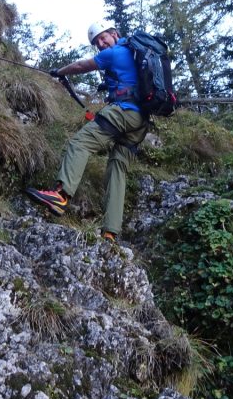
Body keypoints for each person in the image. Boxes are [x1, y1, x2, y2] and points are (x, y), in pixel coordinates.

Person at [26, 22, 149, 241]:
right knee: (117, 169)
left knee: (80, 143)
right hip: (140, 122)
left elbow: (82, 65)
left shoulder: (115, 52)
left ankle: (61, 196)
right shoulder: (133, 54)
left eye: (103, 38)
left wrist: (59, 72)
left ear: (114, 34)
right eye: (97, 43)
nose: (101, 44)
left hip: (123, 112)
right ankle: (110, 232)